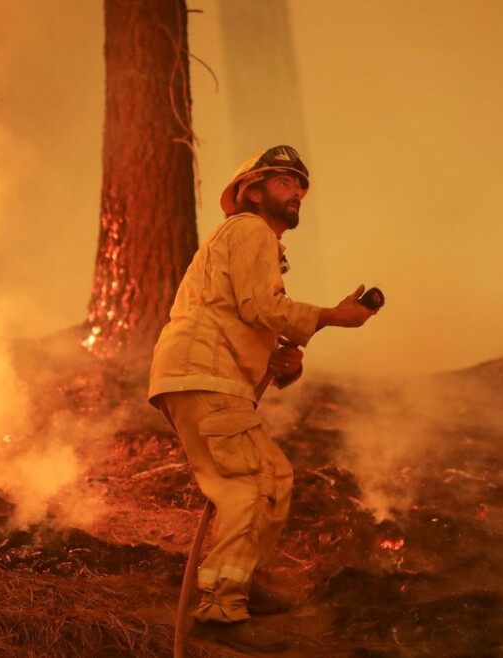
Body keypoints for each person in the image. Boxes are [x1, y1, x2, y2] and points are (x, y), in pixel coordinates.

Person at [148, 145, 377, 653]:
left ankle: (238, 581)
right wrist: (335, 317)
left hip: (209, 374)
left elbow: (240, 313)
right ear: (252, 190)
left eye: (300, 185)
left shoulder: (251, 244)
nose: (296, 191)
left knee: (273, 478)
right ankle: (221, 608)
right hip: (203, 372)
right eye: (284, 182)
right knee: (247, 484)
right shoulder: (249, 229)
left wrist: (283, 362)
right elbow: (259, 306)